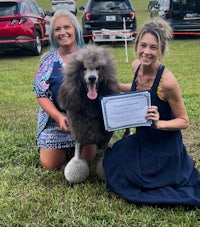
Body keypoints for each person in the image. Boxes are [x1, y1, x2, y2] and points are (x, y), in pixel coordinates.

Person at [103, 17, 200, 208]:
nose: (146, 52)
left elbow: (184, 121)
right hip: (143, 140)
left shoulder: (167, 82)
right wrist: (112, 86)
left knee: (139, 182)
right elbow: (136, 90)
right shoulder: (136, 67)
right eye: (143, 45)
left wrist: (159, 123)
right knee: (114, 157)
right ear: (136, 45)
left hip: (164, 146)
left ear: (161, 51)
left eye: (153, 48)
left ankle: (175, 166)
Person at [33, 9, 96, 170]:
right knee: (50, 165)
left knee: (87, 161)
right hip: (55, 121)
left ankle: (75, 147)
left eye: (67, 27)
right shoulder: (47, 59)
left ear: (76, 29)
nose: (63, 32)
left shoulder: (90, 57)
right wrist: (59, 117)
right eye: (57, 29)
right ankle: (62, 148)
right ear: (53, 34)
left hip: (84, 121)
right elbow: (41, 93)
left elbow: (103, 88)